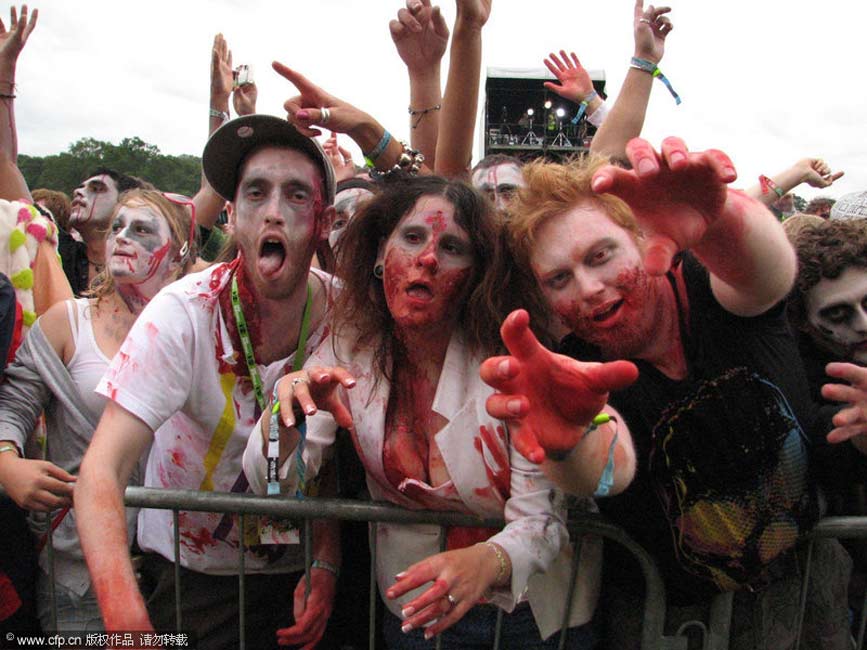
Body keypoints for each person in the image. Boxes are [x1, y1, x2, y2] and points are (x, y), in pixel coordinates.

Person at [481, 138, 854, 649]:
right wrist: (569, 441)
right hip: (671, 620)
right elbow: (610, 466)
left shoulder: (707, 286)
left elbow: (765, 276)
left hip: (804, 590)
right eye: (559, 278)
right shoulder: (577, 366)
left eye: (601, 256)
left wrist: (719, 220)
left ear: (640, 239)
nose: (588, 287)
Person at [243, 174, 637, 649]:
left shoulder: (506, 362)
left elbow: (543, 520)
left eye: (452, 247)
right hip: (415, 609)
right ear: (380, 255)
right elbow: (270, 483)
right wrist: (285, 420)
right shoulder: (348, 349)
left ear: (477, 273)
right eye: (412, 237)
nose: (428, 258)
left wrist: (487, 561)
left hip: (535, 615)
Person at [74, 115, 340, 650]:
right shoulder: (183, 312)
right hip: (191, 575)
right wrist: (124, 618)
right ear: (232, 216)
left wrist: (326, 561)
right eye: (256, 193)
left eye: (295, 195)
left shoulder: (344, 313)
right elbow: (102, 469)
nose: (273, 211)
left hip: (294, 572)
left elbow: (339, 455)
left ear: (324, 221)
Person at [0, 189, 195, 632]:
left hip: (173, 567)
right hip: (79, 572)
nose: (122, 237)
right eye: (117, 228)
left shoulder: (197, 330)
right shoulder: (67, 323)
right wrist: (7, 463)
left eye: (141, 229)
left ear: (178, 255)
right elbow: (12, 405)